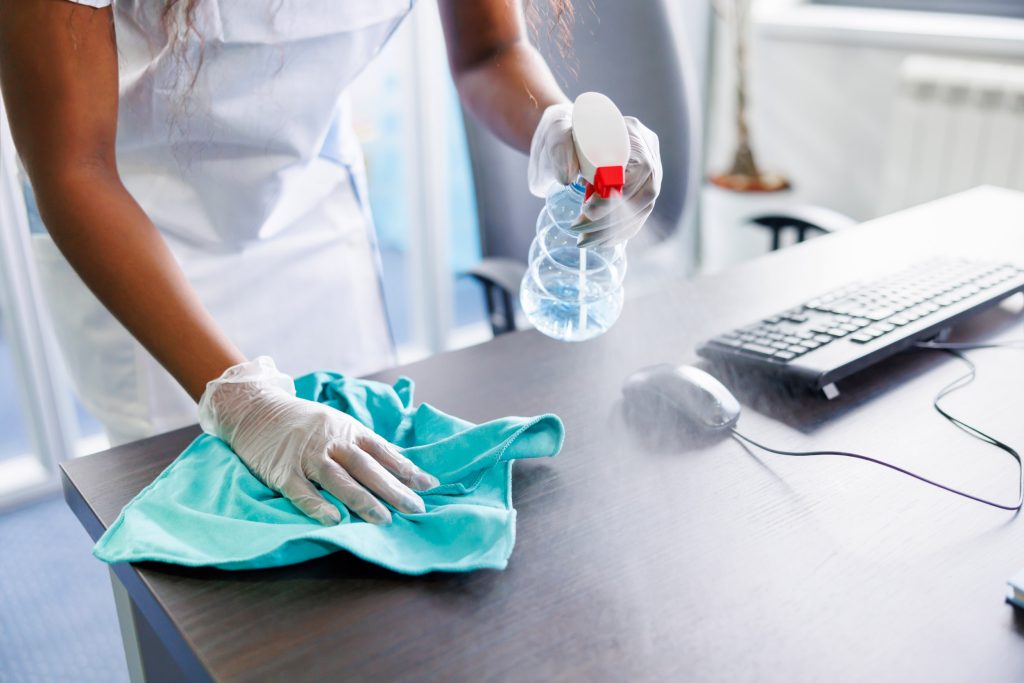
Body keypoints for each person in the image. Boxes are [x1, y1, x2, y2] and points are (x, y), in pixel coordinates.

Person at [0, 0, 662, 526]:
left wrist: (559, 129)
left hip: (307, 199)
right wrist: (240, 398)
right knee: (208, 567)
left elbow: (490, 51)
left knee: (372, 505)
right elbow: (73, 165)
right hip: (139, 232)